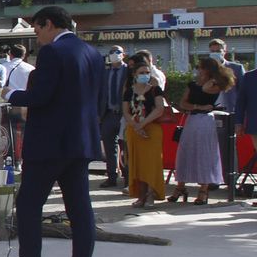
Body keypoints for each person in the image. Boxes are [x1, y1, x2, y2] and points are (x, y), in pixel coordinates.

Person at [0, 6, 101, 257]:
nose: (37, 36)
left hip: (49, 144)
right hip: (80, 143)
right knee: (80, 210)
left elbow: (41, 96)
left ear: (50, 24)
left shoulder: (53, 53)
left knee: (29, 205)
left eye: (38, 29)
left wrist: (11, 94)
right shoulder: (92, 53)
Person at [170, 58, 233, 205]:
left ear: (208, 69)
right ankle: (180, 186)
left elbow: (206, 90)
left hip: (206, 121)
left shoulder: (216, 84)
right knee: (186, 151)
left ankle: (203, 190)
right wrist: (196, 106)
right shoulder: (192, 84)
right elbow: (183, 102)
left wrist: (209, 79)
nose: (198, 69)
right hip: (191, 119)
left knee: (205, 153)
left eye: (201, 67)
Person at [124, 60, 168, 208]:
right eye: (141, 73)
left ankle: (151, 195)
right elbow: (126, 111)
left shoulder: (155, 90)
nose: (145, 75)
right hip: (134, 130)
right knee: (137, 164)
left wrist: (142, 124)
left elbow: (159, 109)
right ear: (134, 75)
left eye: (147, 73)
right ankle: (140, 195)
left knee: (151, 163)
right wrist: (135, 125)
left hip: (152, 129)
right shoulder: (129, 90)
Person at [207, 39, 243, 189]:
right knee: (211, 147)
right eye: (212, 50)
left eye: (218, 50)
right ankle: (213, 179)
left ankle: (231, 180)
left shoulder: (235, 68)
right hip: (210, 112)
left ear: (224, 51)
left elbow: (242, 92)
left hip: (228, 113)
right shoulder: (207, 69)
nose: (215, 53)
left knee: (229, 147)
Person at [97, 45, 129, 187]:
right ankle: (111, 176)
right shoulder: (105, 72)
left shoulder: (129, 71)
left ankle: (128, 177)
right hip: (108, 114)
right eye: (111, 52)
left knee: (126, 147)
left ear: (123, 54)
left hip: (124, 114)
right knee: (110, 148)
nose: (114, 54)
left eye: (117, 52)